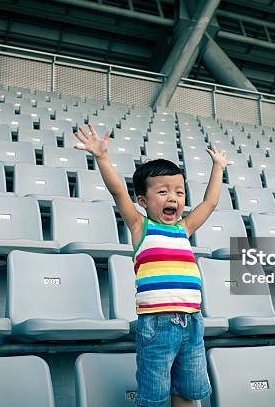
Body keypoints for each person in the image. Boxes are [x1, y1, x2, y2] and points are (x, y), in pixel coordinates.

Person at [74, 123, 228, 407]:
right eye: (163, 192)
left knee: (188, 391)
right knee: (155, 395)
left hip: (192, 322)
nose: (173, 197)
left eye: (179, 193)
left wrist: (218, 167)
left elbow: (210, 202)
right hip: (156, 325)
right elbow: (119, 192)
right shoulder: (140, 226)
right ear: (143, 200)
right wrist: (102, 158)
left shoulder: (184, 228)